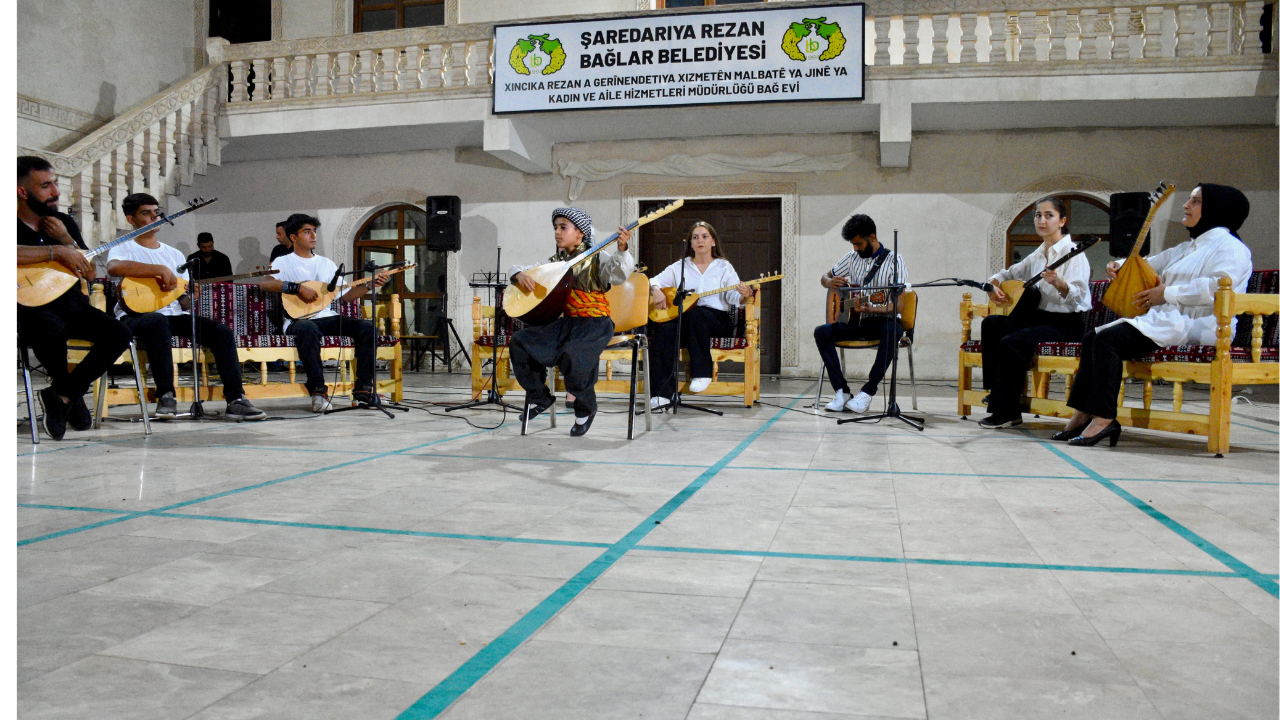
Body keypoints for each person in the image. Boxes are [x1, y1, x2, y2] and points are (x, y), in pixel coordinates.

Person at [1058, 183, 1253, 447]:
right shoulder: (1188, 247)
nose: (1186, 205)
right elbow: (1149, 263)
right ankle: (1084, 413)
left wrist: (1167, 294)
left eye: (1195, 201)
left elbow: (1216, 289)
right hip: (1169, 321)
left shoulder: (1231, 248)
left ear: (1216, 210)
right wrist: (1120, 266)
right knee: (1094, 336)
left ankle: (1104, 419)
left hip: (1199, 325)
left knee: (1108, 340)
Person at [107, 193, 267, 421]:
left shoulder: (174, 253)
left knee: (221, 332)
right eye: (146, 213)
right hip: (135, 315)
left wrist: (189, 295)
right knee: (157, 321)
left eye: (156, 212)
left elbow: (180, 300)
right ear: (131, 220)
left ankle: (236, 399)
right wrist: (158, 270)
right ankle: (166, 396)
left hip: (172, 314)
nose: (155, 217)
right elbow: (113, 268)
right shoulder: (124, 247)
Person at [16, 156, 133, 440]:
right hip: (28, 309)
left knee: (119, 332)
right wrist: (56, 252)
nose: (55, 191)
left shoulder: (63, 222)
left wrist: (68, 240)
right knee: (50, 329)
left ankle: (63, 395)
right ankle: (71, 393)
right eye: (45, 186)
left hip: (72, 305)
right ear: (22, 192)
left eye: (54, 183)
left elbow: (90, 273)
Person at [509, 207, 634, 436]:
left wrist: (622, 249)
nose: (557, 232)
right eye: (556, 227)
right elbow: (517, 269)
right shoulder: (554, 262)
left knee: (573, 355)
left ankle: (586, 407)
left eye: (563, 227)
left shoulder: (597, 258)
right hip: (568, 323)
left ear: (580, 234)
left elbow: (618, 275)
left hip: (596, 323)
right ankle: (540, 397)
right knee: (520, 341)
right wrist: (519, 275)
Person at [977, 196, 1091, 428]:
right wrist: (993, 285)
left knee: (1011, 342)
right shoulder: (1039, 253)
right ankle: (996, 389)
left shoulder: (1073, 253)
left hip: (1068, 323)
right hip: (1040, 319)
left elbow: (1080, 297)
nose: (1042, 220)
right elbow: (1008, 273)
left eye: (1049, 215)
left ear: (1062, 221)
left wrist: (1060, 283)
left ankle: (1009, 410)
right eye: (1038, 215)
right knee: (991, 324)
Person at [260, 213, 389, 412]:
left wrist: (371, 285)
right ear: (293, 237)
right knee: (308, 329)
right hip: (298, 320)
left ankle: (363, 391)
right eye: (307, 232)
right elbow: (266, 283)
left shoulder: (326, 264)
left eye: (314, 231)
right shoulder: (283, 262)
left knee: (366, 327)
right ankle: (318, 392)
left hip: (326, 317)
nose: (313, 236)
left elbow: (345, 296)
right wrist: (297, 288)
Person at [647, 221, 755, 409]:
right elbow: (654, 280)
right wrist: (655, 289)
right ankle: (662, 394)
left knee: (696, 314)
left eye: (705, 236)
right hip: (687, 320)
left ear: (713, 241)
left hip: (717, 320)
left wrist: (744, 295)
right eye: (695, 237)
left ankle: (702, 371)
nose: (700, 241)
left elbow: (733, 297)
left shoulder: (724, 267)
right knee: (664, 333)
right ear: (690, 243)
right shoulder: (681, 266)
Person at [815, 214, 909, 414]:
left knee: (894, 330)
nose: (855, 248)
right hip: (856, 322)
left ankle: (867, 393)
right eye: (853, 244)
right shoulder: (851, 258)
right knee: (821, 332)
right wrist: (829, 282)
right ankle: (842, 392)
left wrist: (873, 308)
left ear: (872, 238)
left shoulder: (894, 261)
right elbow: (825, 277)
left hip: (881, 322)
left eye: (858, 244)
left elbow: (899, 306)